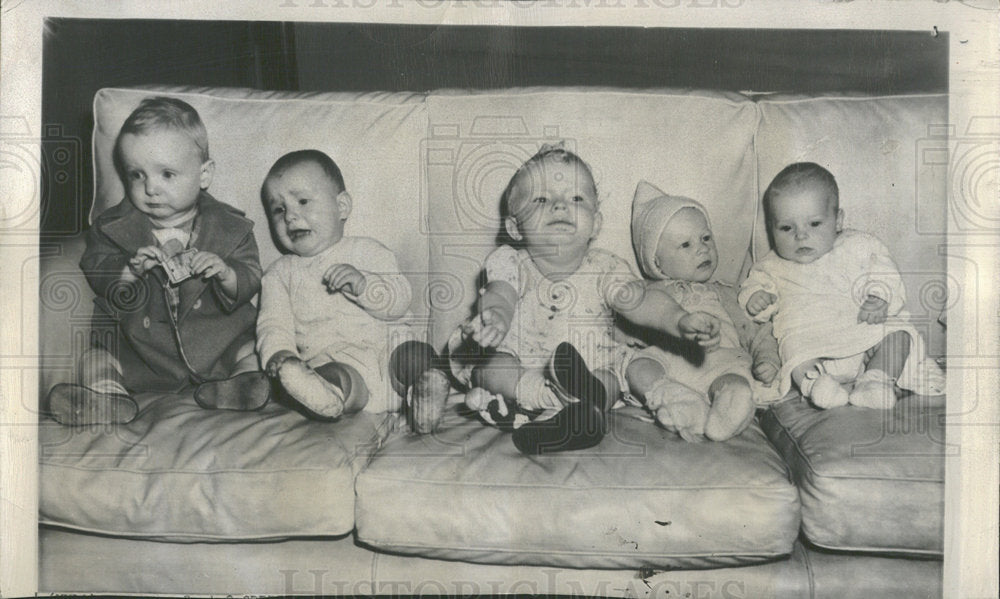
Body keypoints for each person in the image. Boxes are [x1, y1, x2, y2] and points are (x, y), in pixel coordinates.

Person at [448, 145, 722, 455]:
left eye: (576, 198)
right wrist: (494, 318)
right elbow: (501, 294)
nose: (560, 206)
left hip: (590, 364)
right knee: (492, 366)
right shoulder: (511, 262)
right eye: (541, 199)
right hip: (523, 364)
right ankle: (554, 402)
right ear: (514, 227)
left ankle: (639, 404)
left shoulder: (605, 267)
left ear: (595, 223)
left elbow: (642, 301)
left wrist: (678, 320)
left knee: (621, 374)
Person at [47, 96, 269, 425]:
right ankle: (109, 396)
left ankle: (241, 386)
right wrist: (128, 271)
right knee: (96, 354)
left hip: (217, 342)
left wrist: (225, 273)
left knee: (250, 347)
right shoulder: (111, 227)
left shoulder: (232, 228)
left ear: (204, 175)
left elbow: (251, 274)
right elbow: (95, 264)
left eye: (166, 174)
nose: (150, 188)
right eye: (137, 175)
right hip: (138, 348)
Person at [257, 150, 450, 428]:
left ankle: (425, 394)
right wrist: (279, 355)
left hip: (391, 353)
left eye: (302, 201)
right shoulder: (278, 275)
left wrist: (364, 286)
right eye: (279, 209)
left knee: (418, 354)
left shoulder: (368, 251)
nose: (290, 216)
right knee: (332, 376)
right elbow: (273, 325)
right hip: (339, 363)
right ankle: (329, 396)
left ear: (342, 207)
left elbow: (399, 299)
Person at [739, 162, 944, 409]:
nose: (800, 236)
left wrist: (879, 297)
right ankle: (816, 386)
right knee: (792, 351)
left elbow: (883, 271)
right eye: (786, 227)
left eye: (814, 224)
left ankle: (876, 381)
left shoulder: (857, 246)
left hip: (860, 329)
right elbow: (752, 293)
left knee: (899, 335)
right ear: (772, 229)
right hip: (811, 344)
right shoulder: (770, 266)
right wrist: (756, 299)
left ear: (837, 221)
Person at [625, 181, 781, 441]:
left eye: (706, 238)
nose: (702, 248)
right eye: (685, 245)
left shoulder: (728, 293)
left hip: (720, 359)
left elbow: (758, 330)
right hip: (669, 361)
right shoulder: (651, 292)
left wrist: (768, 359)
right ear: (657, 263)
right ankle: (673, 399)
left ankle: (730, 409)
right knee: (638, 366)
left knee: (734, 379)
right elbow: (625, 319)